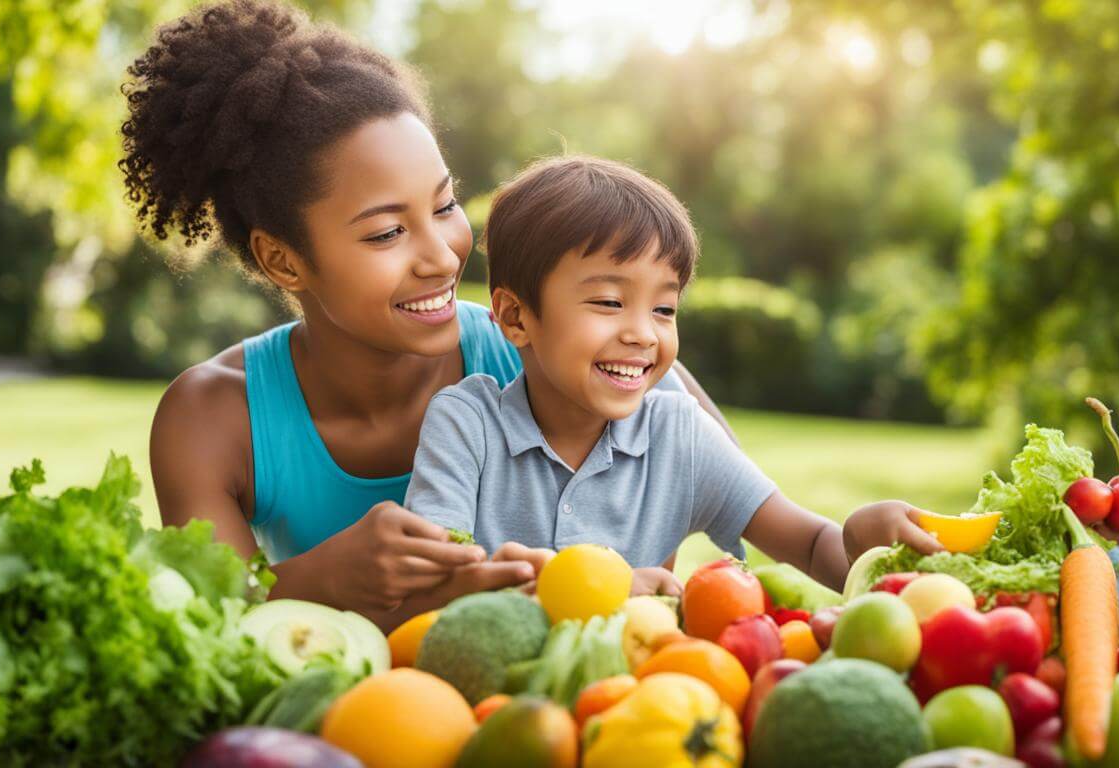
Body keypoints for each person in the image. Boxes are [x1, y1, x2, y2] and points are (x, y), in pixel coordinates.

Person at [120, 0, 727, 631]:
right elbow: (203, 620)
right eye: (386, 233)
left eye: (444, 206)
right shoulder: (213, 418)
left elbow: (726, 486)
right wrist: (327, 576)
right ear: (283, 260)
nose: (443, 257)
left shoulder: (546, 346)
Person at [405, 156, 945, 596]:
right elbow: (427, 590)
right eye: (610, 301)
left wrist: (862, 540)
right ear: (517, 316)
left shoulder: (679, 436)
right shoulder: (465, 426)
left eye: (664, 310)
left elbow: (809, 548)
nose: (643, 333)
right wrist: (603, 589)